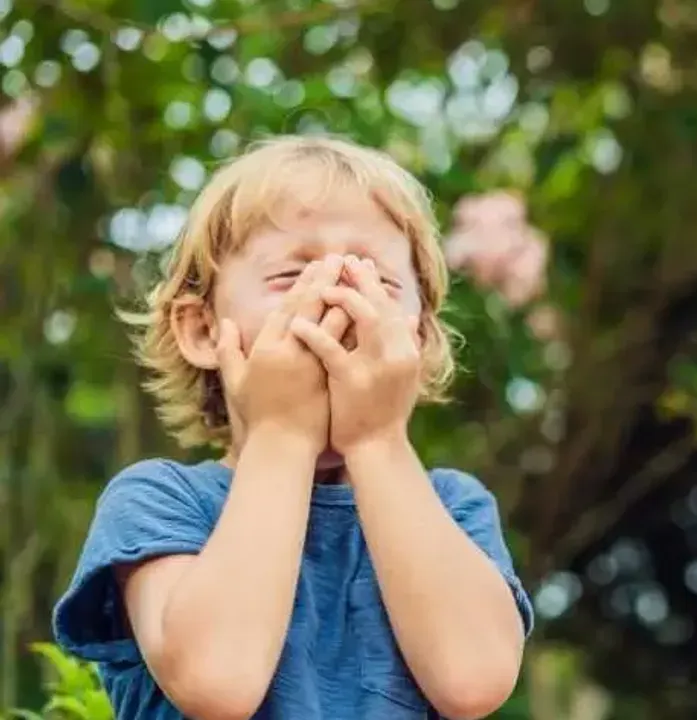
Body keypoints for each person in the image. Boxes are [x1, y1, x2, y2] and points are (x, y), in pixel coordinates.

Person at [51, 135, 534, 720]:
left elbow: (474, 682)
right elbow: (218, 683)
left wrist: (376, 440)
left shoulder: (454, 508)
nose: (335, 294)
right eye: (290, 275)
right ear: (204, 331)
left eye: (377, 282)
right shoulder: (159, 501)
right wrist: (282, 433)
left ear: (419, 341)